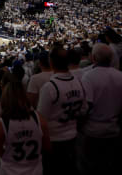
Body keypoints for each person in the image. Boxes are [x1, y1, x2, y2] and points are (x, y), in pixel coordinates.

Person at [77, 43, 122, 175]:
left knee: (90, 167)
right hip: (113, 129)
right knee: (109, 166)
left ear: (93, 58)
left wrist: (80, 125)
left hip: (92, 131)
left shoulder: (89, 76)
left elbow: (87, 106)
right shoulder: (121, 76)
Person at [37, 45, 85, 175]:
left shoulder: (50, 87)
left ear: (51, 63)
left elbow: (41, 120)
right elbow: (83, 111)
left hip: (54, 141)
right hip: (73, 137)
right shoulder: (79, 82)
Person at [0, 79, 50, 175]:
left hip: (9, 171)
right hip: (35, 170)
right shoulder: (39, 119)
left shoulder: (3, 123)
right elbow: (47, 147)